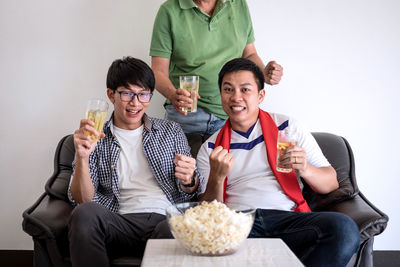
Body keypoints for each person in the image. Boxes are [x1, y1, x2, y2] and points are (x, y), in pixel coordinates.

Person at [196, 58, 360, 267]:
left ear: (261, 95)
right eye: (228, 90)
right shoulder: (210, 148)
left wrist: (305, 168)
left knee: (343, 228)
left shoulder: (288, 127)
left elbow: (331, 183)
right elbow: (207, 215)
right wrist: (216, 178)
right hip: (238, 225)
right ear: (221, 95)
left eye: (245, 89)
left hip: (288, 221)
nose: (236, 97)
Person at [67, 57, 204, 266]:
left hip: (164, 219)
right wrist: (82, 158)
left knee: (178, 226)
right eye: (127, 93)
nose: (135, 103)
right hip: (118, 221)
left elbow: (191, 190)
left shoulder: (171, 131)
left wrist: (189, 179)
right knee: (83, 213)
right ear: (111, 95)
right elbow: (83, 200)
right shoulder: (94, 137)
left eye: (143, 95)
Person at [150, 0, 283, 136]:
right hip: (186, 115)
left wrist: (262, 71)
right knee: (183, 158)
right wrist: (173, 95)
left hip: (231, 113)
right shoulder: (169, 10)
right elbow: (158, 71)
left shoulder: (238, 4)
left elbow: (249, 54)